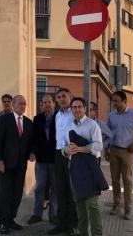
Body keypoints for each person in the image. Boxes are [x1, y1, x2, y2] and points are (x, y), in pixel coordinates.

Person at [65, 97, 106, 236]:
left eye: (79, 107)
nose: (76, 109)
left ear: (84, 108)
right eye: (74, 107)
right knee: (80, 205)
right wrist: (66, 151)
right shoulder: (69, 125)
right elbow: (65, 147)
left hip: (89, 168)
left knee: (92, 205)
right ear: (71, 110)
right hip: (75, 168)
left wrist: (79, 149)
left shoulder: (92, 125)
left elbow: (98, 145)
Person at [105, 90, 133, 220]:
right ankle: (116, 205)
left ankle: (128, 208)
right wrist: (106, 148)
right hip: (113, 150)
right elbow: (107, 132)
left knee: (127, 180)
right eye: (113, 101)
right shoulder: (112, 115)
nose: (114, 103)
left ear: (124, 101)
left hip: (128, 152)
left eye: (116, 101)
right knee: (114, 180)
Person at [0, 95, 33, 234]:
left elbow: (30, 143)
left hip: (21, 165)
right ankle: (3, 222)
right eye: (20, 103)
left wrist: (32, 152)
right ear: (14, 104)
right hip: (5, 164)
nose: (23, 106)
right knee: (5, 193)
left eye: (25, 104)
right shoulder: (4, 120)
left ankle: (11, 219)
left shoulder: (29, 122)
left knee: (17, 193)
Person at [48, 88, 78, 236]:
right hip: (59, 155)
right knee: (60, 190)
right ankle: (61, 223)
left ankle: (73, 225)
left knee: (72, 191)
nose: (61, 99)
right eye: (58, 97)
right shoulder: (57, 115)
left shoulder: (75, 113)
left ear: (70, 97)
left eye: (64, 96)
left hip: (72, 155)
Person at [28, 94, 57, 225]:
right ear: (41, 105)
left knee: (55, 188)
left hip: (55, 160)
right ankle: (37, 214)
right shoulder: (37, 119)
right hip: (41, 160)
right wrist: (33, 152)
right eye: (44, 102)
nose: (47, 104)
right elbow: (34, 139)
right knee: (39, 187)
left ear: (53, 103)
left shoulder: (60, 117)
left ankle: (53, 215)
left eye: (49, 102)